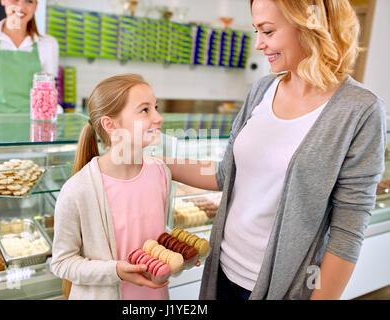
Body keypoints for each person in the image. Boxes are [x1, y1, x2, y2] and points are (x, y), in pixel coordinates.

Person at [163, 0, 386, 300]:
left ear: (311, 25)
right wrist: (157, 163)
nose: (258, 44)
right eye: (257, 31)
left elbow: (348, 227)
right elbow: (224, 173)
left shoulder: (360, 110)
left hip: (284, 288)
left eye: (267, 31)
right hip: (221, 271)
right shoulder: (261, 90)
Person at [50, 74, 172, 300]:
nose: (159, 117)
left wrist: (179, 251)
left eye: (156, 107)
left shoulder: (161, 173)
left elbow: (158, 235)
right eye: (145, 110)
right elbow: (62, 263)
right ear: (110, 125)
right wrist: (115, 271)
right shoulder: (78, 189)